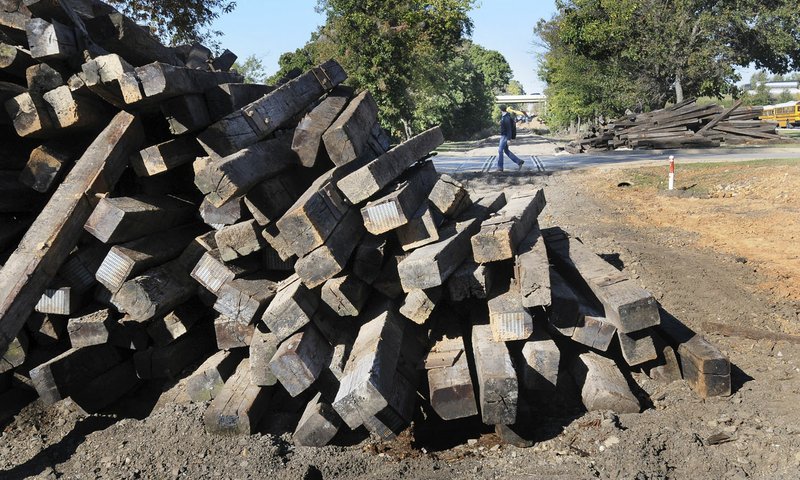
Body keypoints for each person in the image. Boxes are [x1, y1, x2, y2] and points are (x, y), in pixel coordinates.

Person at [497, 105, 524, 171]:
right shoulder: (504, 117)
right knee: (506, 150)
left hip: (505, 136)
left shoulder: (506, 118)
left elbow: (509, 129)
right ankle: (519, 161)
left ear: (501, 110)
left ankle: (500, 167)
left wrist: (509, 139)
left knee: (500, 150)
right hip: (504, 135)